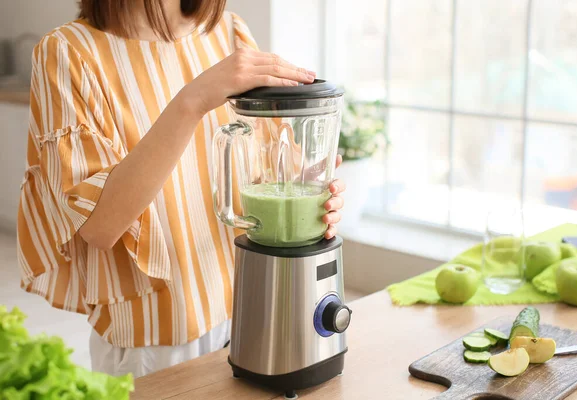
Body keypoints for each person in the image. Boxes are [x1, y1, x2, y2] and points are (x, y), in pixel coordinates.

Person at [16, 0, 345, 378]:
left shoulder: (229, 33)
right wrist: (193, 101)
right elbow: (100, 225)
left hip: (251, 314)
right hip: (154, 342)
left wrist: (315, 186)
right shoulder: (68, 52)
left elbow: (272, 162)